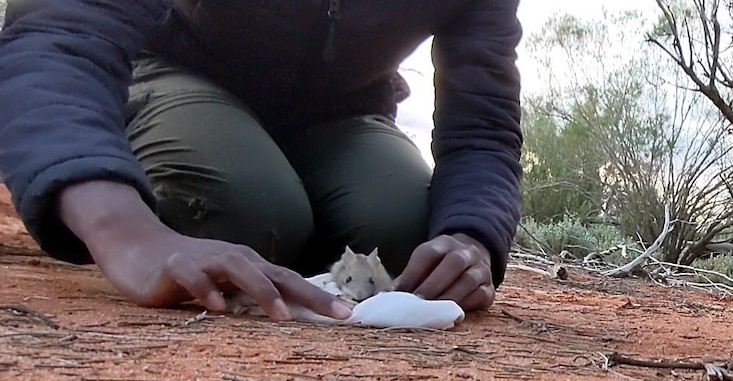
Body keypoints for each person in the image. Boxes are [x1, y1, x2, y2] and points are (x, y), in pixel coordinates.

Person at [0, 0, 524, 321]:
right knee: (240, 210)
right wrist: (124, 228)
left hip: (339, 113)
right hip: (169, 69)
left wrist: (473, 238)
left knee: (406, 237)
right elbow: (58, 35)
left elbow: (483, 123)